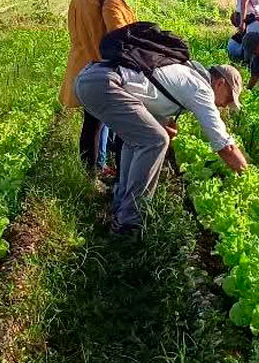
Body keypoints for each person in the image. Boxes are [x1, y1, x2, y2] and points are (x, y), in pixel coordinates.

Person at [76, 54, 246, 235]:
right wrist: (245, 173)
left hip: (91, 77)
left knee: (138, 139)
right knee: (156, 141)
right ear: (220, 83)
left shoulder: (187, 72)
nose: (225, 106)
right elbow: (225, 146)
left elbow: (150, 103)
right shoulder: (200, 88)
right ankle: (128, 223)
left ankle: (120, 206)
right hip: (104, 83)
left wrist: (164, 126)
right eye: (228, 99)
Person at [60, 0, 137, 172]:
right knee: (99, 124)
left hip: (82, 66)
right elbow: (121, 37)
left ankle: (96, 169)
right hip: (103, 71)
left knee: (94, 123)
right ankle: (95, 172)